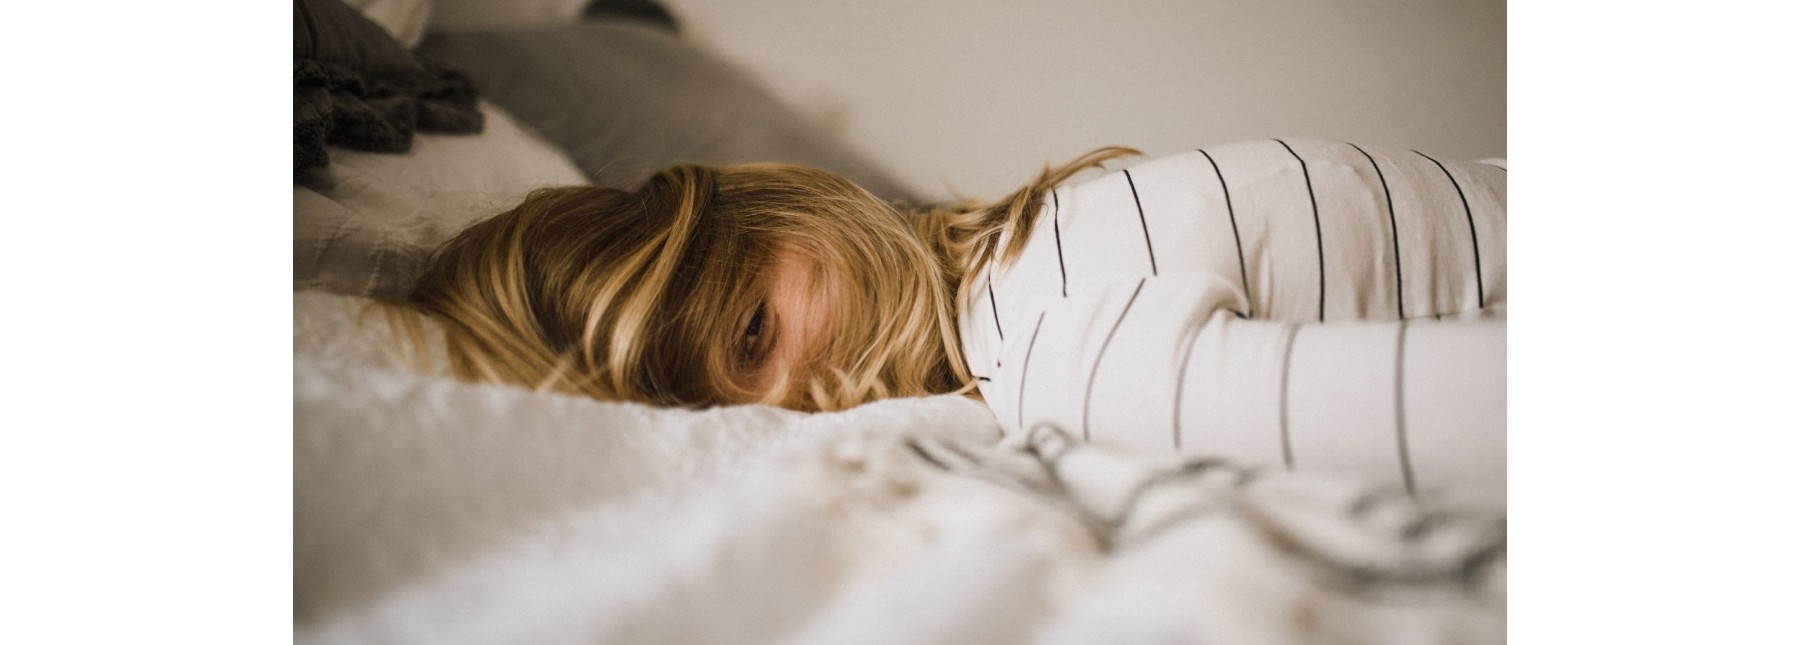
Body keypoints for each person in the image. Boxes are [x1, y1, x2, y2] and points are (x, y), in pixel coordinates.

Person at [390, 139, 1506, 489]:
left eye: (750, 336)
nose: (791, 412)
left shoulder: (1061, 352)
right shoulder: (1040, 239)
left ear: (794, 207)